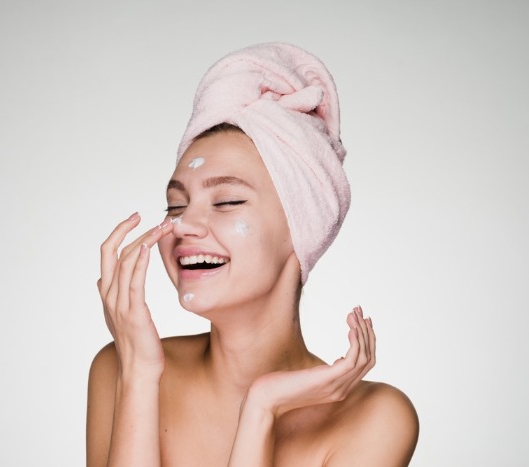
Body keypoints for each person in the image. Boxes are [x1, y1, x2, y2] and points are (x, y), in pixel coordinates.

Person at [87, 43, 418, 466]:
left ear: (303, 227)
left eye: (226, 203)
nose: (184, 224)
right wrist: (137, 376)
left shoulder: (374, 418)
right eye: (175, 206)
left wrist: (261, 407)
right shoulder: (120, 367)